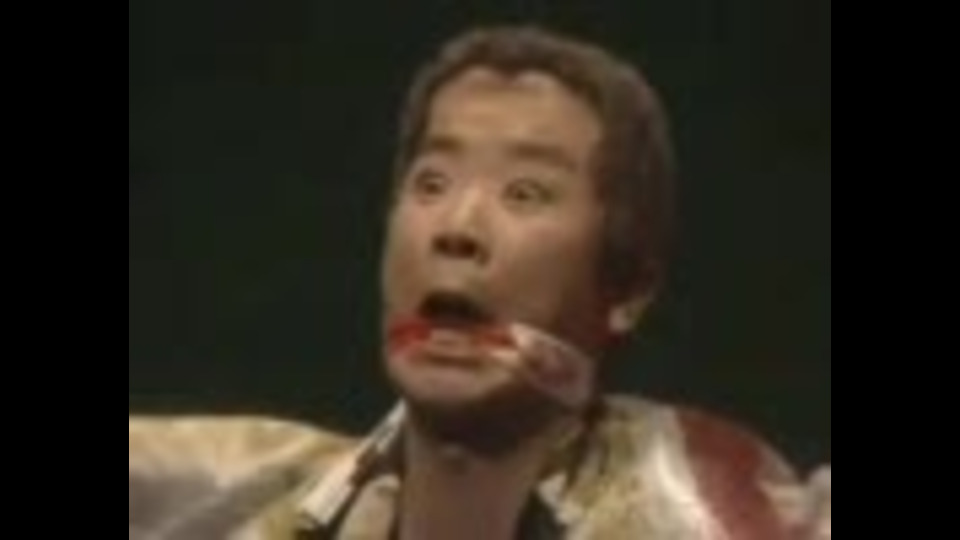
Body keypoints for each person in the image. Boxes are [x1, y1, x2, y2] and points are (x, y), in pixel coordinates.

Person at [129, 25, 828, 539]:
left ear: (628, 290)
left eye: (525, 193)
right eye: (431, 183)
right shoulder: (221, 507)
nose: (456, 227)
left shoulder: (728, 509)